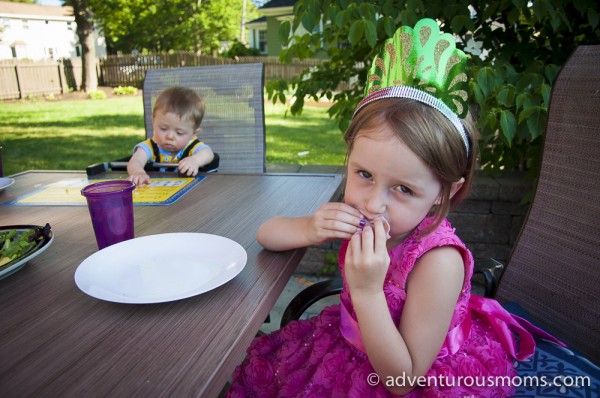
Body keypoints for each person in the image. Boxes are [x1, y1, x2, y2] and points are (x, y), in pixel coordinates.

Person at [226, 19, 562, 397]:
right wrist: (310, 228)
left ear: (444, 191)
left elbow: (403, 380)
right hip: (347, 347)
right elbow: (265, 234)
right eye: (364, 174)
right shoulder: (360, 218)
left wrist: (367, 293)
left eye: (403, 188)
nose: (372, 203)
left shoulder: (438, 262)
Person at [127, 86, 214, 185]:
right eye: (163, 129)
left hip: (187, 193)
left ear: (193, 134)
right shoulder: (150, 146)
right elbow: (135, 161)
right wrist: (138, 172)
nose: (170, 136)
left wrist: (195, 160)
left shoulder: (191, 146)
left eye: (179, 133)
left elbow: (209, 154)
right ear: (153, 121)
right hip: (155, 193)